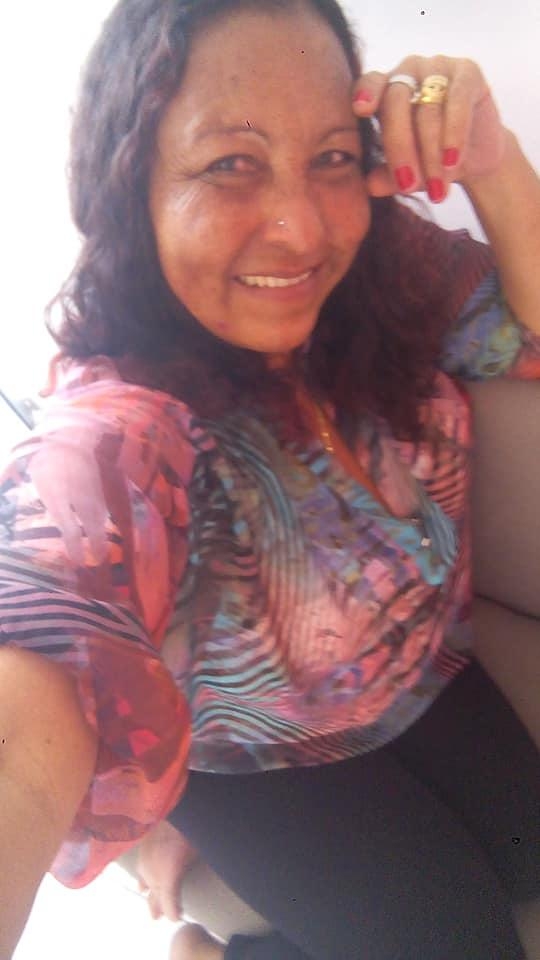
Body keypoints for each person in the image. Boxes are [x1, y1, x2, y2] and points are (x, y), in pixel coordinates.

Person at [1, 0, 539, 957]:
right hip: (254, 758)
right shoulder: (117, 426)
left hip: (422, 670)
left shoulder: (388, 268)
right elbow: (42, 621)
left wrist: (495, 167)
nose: (300, 228)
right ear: (130, 182)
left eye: (330, 156)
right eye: (229, 164)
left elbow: (528, 337)